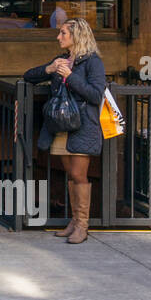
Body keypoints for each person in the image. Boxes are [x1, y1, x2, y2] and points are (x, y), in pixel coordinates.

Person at [23, 17, 106, 244]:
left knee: (79, 175)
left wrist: (70, 77)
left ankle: (82, 225)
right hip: (61, 126)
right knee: (70, 174)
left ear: (76, 36)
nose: (58, 37)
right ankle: (73, 221)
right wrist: (49, 69)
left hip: (83, 126)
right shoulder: (61, 59)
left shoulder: (92, 62)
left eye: (63, 33)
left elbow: (96, 95)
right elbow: (29, 76)